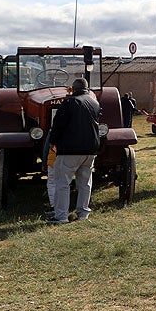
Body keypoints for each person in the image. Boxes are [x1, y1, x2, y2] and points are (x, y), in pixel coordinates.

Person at [48, 78, 102, 223]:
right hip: (90, 149)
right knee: (85, 183)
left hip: (70, 149)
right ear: (87, 88)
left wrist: (53, 141)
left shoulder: (69, 103)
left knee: (63, 183)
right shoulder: (94, 103)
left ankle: (61, 216)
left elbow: (58, 124)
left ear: (72, 89)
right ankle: (83, 213)